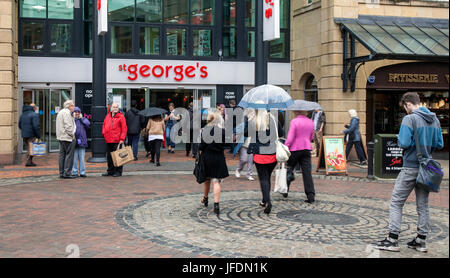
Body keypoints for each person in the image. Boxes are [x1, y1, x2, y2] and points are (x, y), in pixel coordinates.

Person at [373, 92, 443, 253]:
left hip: (410, 166)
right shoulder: (435, 119)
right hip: (427, 168)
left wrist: (404, 139)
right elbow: (439, 143)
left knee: (396, 201)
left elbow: (403, 143)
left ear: (408, 104)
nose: (405, 110)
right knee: (423, 204)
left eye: (405, 107)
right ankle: (421, 240)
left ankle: (392, 239)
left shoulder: (409, 119)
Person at [245, 108, 284, 214]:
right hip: (272, 154)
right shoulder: (273, 119)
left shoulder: (254, 121)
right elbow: (281, 133)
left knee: (263, 179)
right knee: (267, 178)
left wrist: (248, 120)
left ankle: (267, 201)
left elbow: (245, 133)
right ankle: (264, 200)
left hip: (260, 154)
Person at [198, 112, 229, 215]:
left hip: (207, 157)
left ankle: (205, 198)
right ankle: (216, 204)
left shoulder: (205, 131)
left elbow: (201, 146)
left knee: (207, 179)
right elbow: (226, 145)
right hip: (218, 157)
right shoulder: (223, 132)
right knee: (216, 181)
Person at [285, 110, 316, 203]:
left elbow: (291, 137)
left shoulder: (294, 122)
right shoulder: (311, 122)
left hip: (295, 149)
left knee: (289, 168)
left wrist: (286, 146)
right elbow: (312, 137)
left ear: (296, 112)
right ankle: (310, 195)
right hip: (306, 148)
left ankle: (285, 189)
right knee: (307, 172)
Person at [102, 103, 127, 177]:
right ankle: (110, 171)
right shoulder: (108, 116)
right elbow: (104, 125)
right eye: (114, 107)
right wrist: (104, 133)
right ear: (111, 108)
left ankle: (118, 171)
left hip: (117, 140)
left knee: (118, 157)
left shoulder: (121, 117)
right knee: (109, 157)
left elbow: (124, 129)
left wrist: (122, 139)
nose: (115, 108)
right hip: (108, 140)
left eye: (116, 107)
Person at [56, 100, 76, 179]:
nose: (74, 107)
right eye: (73, 105)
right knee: (69, 155)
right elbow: (68, 126)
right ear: (69, 106)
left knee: (62, 155)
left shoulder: (61, 112)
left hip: (61, 137)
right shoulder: (67, 113)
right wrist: (72, 135)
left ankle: (62, 172)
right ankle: (67, 173)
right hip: (67, 137)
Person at [233, 108, 255, 181]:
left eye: (253, 114)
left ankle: (249, 174)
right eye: (251, 114)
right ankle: (238, 170)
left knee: (250, 161)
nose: (252, 116)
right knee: (243, 159)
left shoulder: (256, 123)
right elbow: (236, 130)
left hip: (251, 144)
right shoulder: (244, 123)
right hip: (244, 144)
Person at [71, 107, 90, 178]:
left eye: (78, 112)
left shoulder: (83, 120)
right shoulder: (71, 120)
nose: (77, 113)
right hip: (74, 142)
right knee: (74, 158)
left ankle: (82, 172)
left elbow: (88, 124)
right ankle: (74, 172)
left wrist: (82, 118)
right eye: (75, 112)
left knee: (82, 158)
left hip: (82, 142)